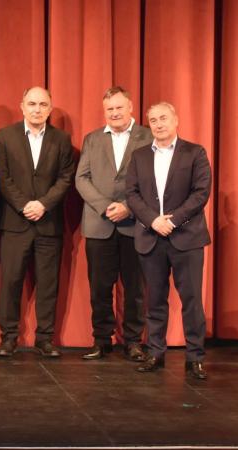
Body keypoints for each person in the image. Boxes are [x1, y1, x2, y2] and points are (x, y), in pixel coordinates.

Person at [126, 102, 211, 380]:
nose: (159, 124)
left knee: (192, 300)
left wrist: (172, 221)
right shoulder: (139, 156)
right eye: (153, 120)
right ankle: (155, 353)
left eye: (163, 118)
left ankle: (195, 358)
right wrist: (153, 221)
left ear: (175, 120)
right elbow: (132, 193)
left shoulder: (195, 152)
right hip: (151, 237)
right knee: (155, 300)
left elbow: (201, 193)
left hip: (186, 238)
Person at [0, 86, 75, 358]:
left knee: (48, 284)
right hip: (15, 222)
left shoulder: (61, 139)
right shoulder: (5, 136)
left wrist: (43, 204)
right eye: (32, 104)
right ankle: (8, 337)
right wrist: (23, 204)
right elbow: (2, 176)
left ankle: (45, 338)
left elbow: (66, 177)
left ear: (50, 109)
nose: (37, 109)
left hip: (48, 223)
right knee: (10, 282)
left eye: (42, 104)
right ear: (22, 106)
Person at [75, 86, 152, 362]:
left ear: (130, 107)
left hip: (135, 223)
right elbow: (81, 178)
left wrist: (128, 207)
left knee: (135, 289)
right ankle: (101, 340)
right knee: (99, 288)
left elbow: (154, 180)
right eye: (109, 109)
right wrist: (105, 207)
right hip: (99, 223)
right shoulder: (92, 139)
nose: (115, 113)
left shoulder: (148, 137)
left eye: (119, 107)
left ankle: (133, 341)